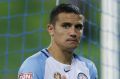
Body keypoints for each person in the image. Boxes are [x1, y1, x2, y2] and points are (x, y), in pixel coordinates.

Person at [18, 3, 98, 79]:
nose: (73, 33)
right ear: (51, 29)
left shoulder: (88, 67)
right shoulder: (33, 65)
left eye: (78, 27)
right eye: (66, 26)